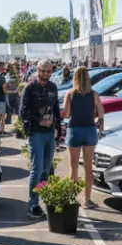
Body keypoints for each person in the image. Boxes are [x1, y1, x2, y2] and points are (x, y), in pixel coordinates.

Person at [21, 61, 62, 218]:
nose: (45, 74)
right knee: (37, 169)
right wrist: (38, 121)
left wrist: (58, 127)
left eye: (48, 71)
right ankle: (33, 204)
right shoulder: (29, 88)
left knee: (46, 169)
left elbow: (56, 108)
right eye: (43, 71)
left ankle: (44, 198)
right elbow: (23, 111)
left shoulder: (53, 87)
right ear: (37, 70)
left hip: (50, 133)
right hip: (36, 133)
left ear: (51, 71)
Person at [63, 66, 106, 208]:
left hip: (74, 130)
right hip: (89, 130)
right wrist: (99, 122)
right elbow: (101, 113)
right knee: (88, 167)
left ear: (74, 78)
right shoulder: (94, 94)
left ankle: (72, 199)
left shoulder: (70, 94)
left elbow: (66, 114)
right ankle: (87, 199)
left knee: (73, 167)